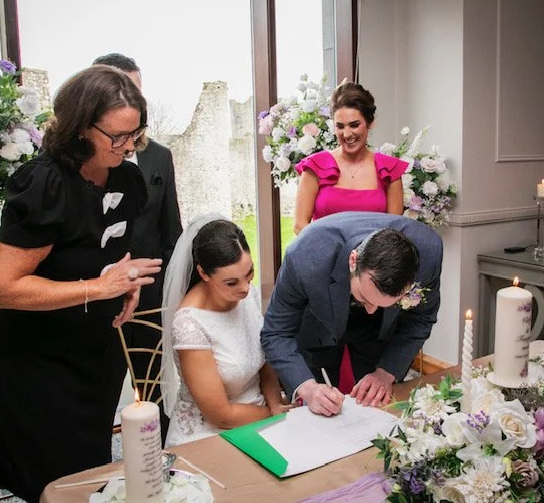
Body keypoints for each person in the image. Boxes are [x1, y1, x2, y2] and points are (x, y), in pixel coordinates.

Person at [0, 65, 162, 503]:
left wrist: (126, 281)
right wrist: (96, 289)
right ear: (81, 127)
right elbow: (2, 288)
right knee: (54, 477)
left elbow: (106, 248)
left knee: (91, 467)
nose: (127, 146)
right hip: (37, 358)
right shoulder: (45, 183)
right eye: (115, 136)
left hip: (93, 350)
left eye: (134, 134)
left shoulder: (126, 177)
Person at [261, 212, 443, 417]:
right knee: (320, 412)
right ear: (353, 260)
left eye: (383, 304)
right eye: (364, 298)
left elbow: (421, 319)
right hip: (318, 325)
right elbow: (275, 332)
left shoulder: (428, 253)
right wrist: (308, 388)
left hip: (381, 333)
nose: (371, 310)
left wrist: (386, 372)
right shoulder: (306, 257)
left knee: (377, 408)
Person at [93, 53, 182, 438]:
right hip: (94, 299)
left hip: (149, 297)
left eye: (137, 94)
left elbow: (171, 230)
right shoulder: (77, 167)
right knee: (98, 390)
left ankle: (161, 464)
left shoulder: (160, 156)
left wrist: (176, 294)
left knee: (156, 389)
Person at [161, 215, 290, 447]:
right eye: (231, 283)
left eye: (249, 273)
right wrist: (274, 415)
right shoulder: (189, 324)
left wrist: (275, 403)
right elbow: (220, 414)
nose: (245, 288)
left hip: (261, 412)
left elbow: (264, 363)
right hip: (210, 433)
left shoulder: (245, 293)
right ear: (203, 274)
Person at [293, 81, 408, 235]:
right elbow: (300, 226)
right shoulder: (315, 166)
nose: (347, 134)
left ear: (370, 123)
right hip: (323, 257)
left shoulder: (389, 170)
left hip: (373, 258)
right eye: (340, 126)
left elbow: (394, 233)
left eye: (354, 125)